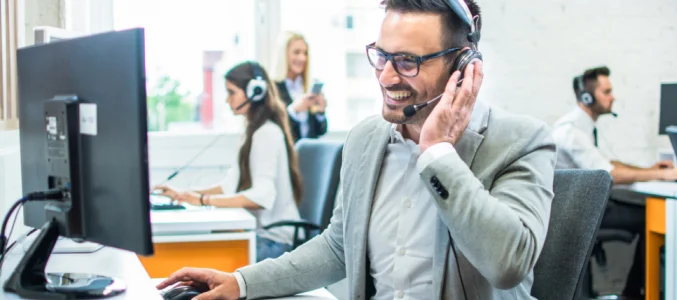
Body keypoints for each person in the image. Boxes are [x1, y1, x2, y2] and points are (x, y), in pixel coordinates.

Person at [157, 1, 557, 299]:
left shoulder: (520, 142)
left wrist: (437, 153)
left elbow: (508, 265)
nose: (385, 75)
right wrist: (242, 283)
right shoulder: (368, 138)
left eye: (407, 62)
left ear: (461, 69)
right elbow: (338, 246)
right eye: (382, 55)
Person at [552, 66, 677, 298]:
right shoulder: (571, 133)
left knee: (649, 213)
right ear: (587, 97)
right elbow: (609, 174)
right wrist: (662, 175)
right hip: (578, 214)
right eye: (607, 91)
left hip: (582, 208)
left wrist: (648, 170)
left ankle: (632, 291)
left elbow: (606, 163)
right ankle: (634, 292)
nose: (613, 97)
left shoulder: (581, 128)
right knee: (649, 216)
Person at [154, 61, 304, 262]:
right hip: (261, 235)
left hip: (275, 242)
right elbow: (228, 186)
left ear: (255, 92)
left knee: (205, 262)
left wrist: (201, 201)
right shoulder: (252, 132)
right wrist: (184, 195)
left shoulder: (267, 133)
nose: (227, 99)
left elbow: (261, 196)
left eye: (232, 92)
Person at [271, 31, 328, 143]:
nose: (302, 58)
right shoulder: (273, 88)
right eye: (296, 52)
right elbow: (275, 128)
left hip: (309, 153)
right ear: (284, 55)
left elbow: (320, 131)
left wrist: (320, 111)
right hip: (287, 155)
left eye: (305, 53)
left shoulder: (308, 86)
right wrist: (294, 110)